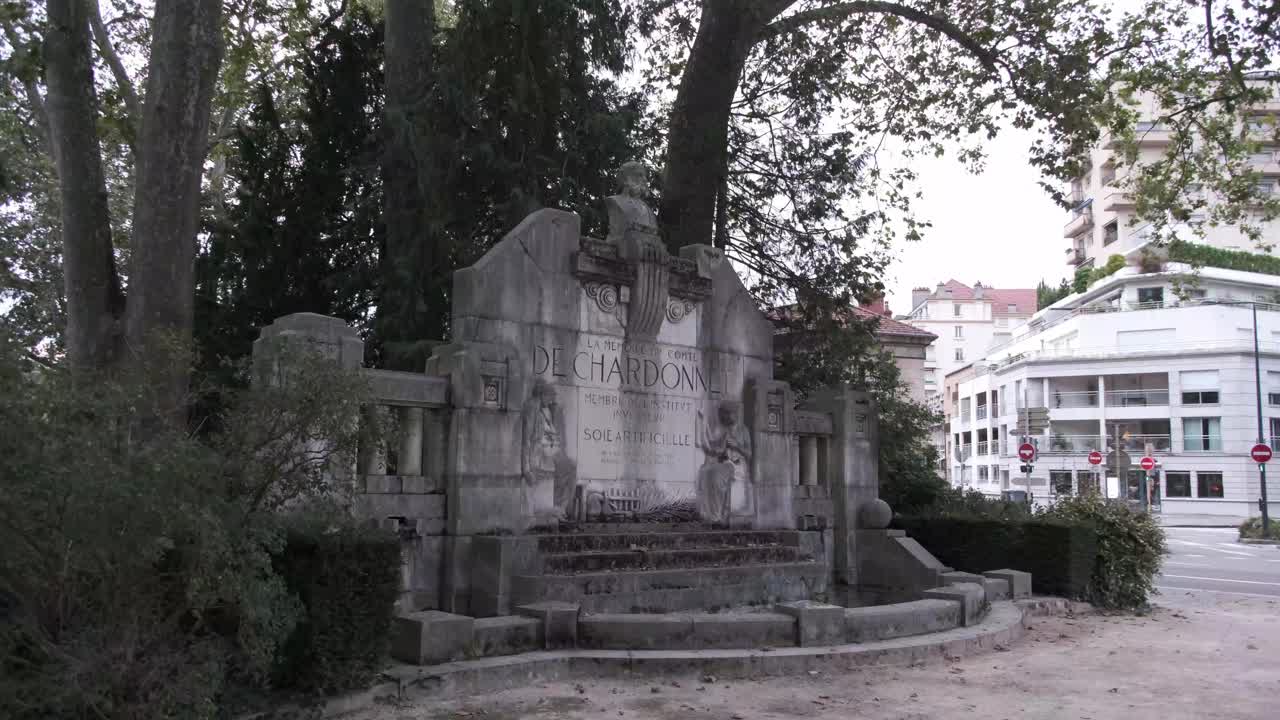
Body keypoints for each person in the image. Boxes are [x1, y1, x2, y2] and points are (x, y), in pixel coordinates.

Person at [695, 403, 753, 524]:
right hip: (725, 463)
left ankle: (716, 516)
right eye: (722, 415)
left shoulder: (743, 430)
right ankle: (709, 515)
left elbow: (749, 454)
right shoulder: (723, 431)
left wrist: (737, 446)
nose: (723, 418)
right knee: (705, 472)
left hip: (738, 466)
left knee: (717, 474)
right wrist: (702, 423)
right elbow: (713, 448)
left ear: (734, 414)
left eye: (726, 414)